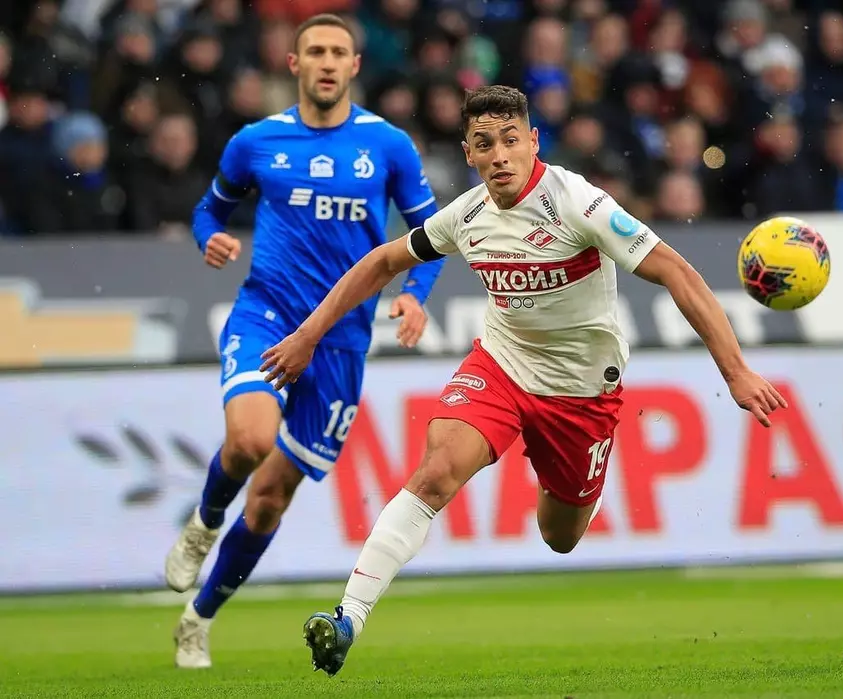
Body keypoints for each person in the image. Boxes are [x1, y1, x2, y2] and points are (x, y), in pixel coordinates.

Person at [259, 84, 786, 677]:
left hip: (580, 394)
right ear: (469, 153)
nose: (500, 155)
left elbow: (676, 271)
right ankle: (348, 618)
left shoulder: (578, 203)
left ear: (533, 141)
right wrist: (308, 336)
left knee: (559, 536)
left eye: (511, 140)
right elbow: (384, 261)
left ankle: (569, 479)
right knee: (436, 471)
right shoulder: (467, 216)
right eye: (485, 144)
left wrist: (736, 371)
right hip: (502, 366)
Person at [165, 13, 446, 670]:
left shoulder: (388, 145)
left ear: (354, 66)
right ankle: (205, 521)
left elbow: (430, 234)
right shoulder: (256, 141)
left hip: (342, 343)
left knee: (270, 499)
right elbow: (209, 208)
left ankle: (198, 618)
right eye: (314, 50)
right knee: (249, 442)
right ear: (293, 64)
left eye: (338, 52)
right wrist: (209, 236)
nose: (326, 61)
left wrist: (415, 294)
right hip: (268, 314)